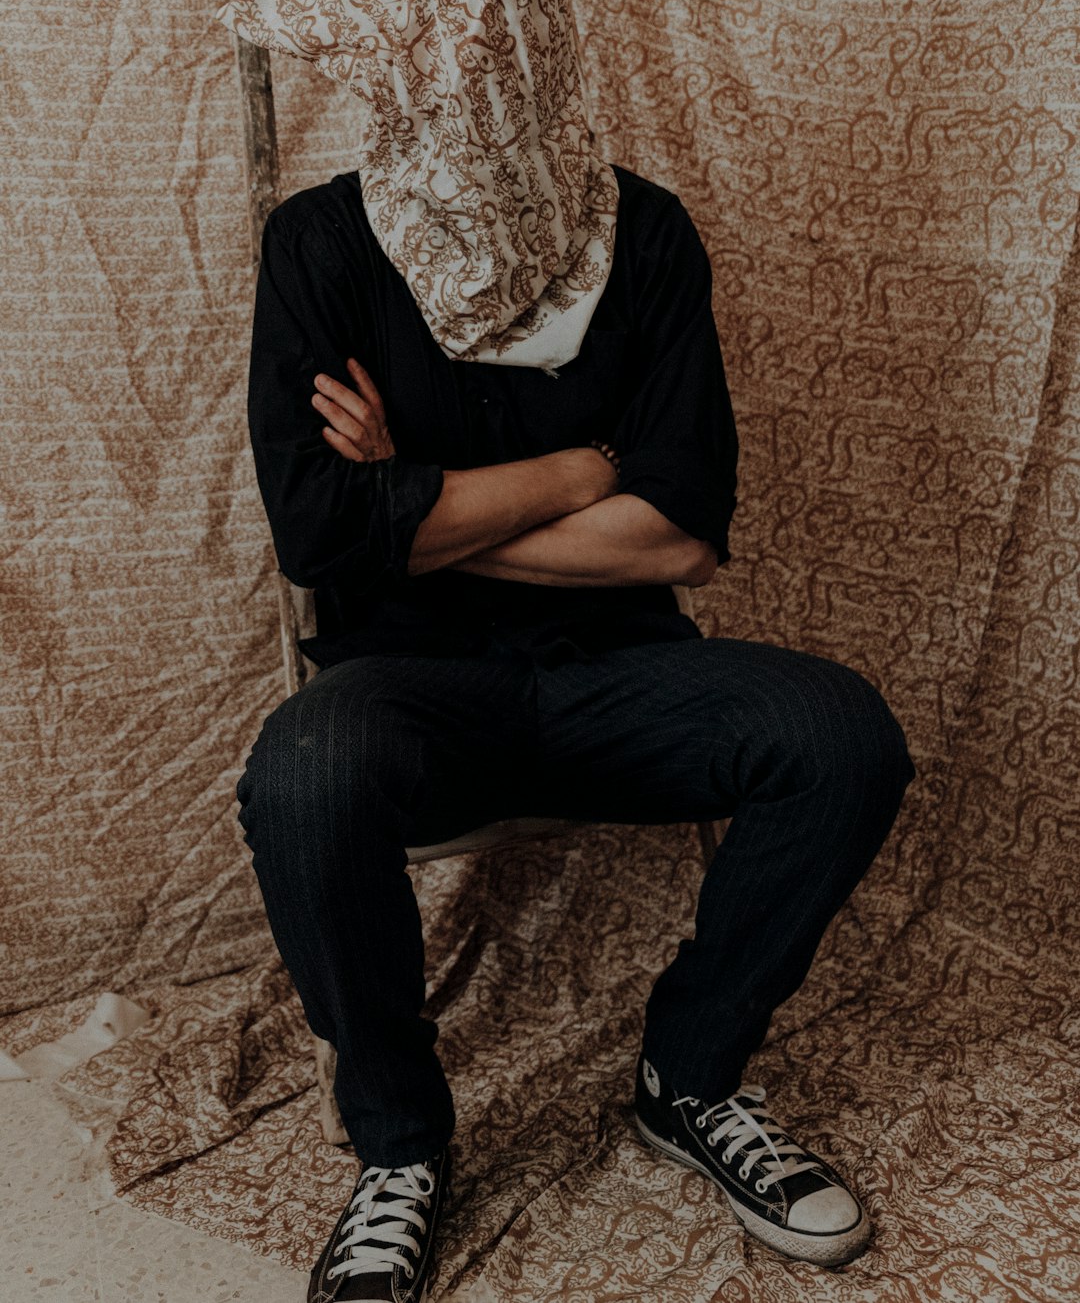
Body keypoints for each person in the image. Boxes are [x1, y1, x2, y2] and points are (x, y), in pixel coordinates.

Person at [236, 157, 915, 1302]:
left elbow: (678, 538)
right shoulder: (320, 241)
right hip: (407, 685)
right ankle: (401, 1144)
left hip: (623, 671)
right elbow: (318, 534)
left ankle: (689, 1079)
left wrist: (406, 498)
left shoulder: (643, 231)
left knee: (844, 735)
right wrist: (587, 468)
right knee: (302, 773)